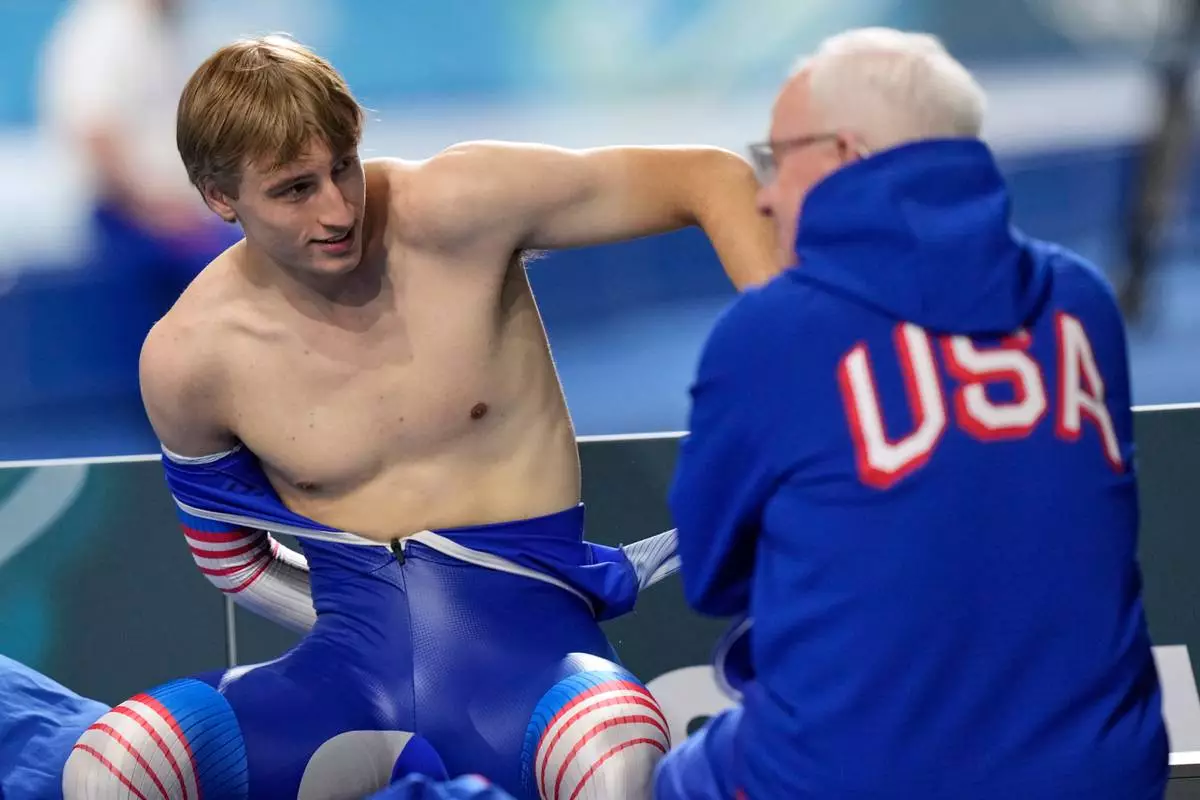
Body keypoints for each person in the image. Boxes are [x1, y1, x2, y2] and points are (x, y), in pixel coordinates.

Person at [61, 34, 777, 800]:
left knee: (618, 749)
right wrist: (368, 620)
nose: (338, 209)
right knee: (107, 764)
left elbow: (712, 179)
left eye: (342, 166)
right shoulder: (187, 357)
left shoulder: (459, 208)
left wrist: (810, 367)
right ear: (219, 198)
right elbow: (230, 558)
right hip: (340, 682)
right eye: (295, 189)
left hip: (533, 673)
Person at [657, 27, 1169, 800]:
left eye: (776, 157)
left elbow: (715, 575)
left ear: (845, 154)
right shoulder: (1083, 303)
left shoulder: (770, 334)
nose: (762, 194)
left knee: (667, 773)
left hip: (851, 777)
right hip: (1104, 772)